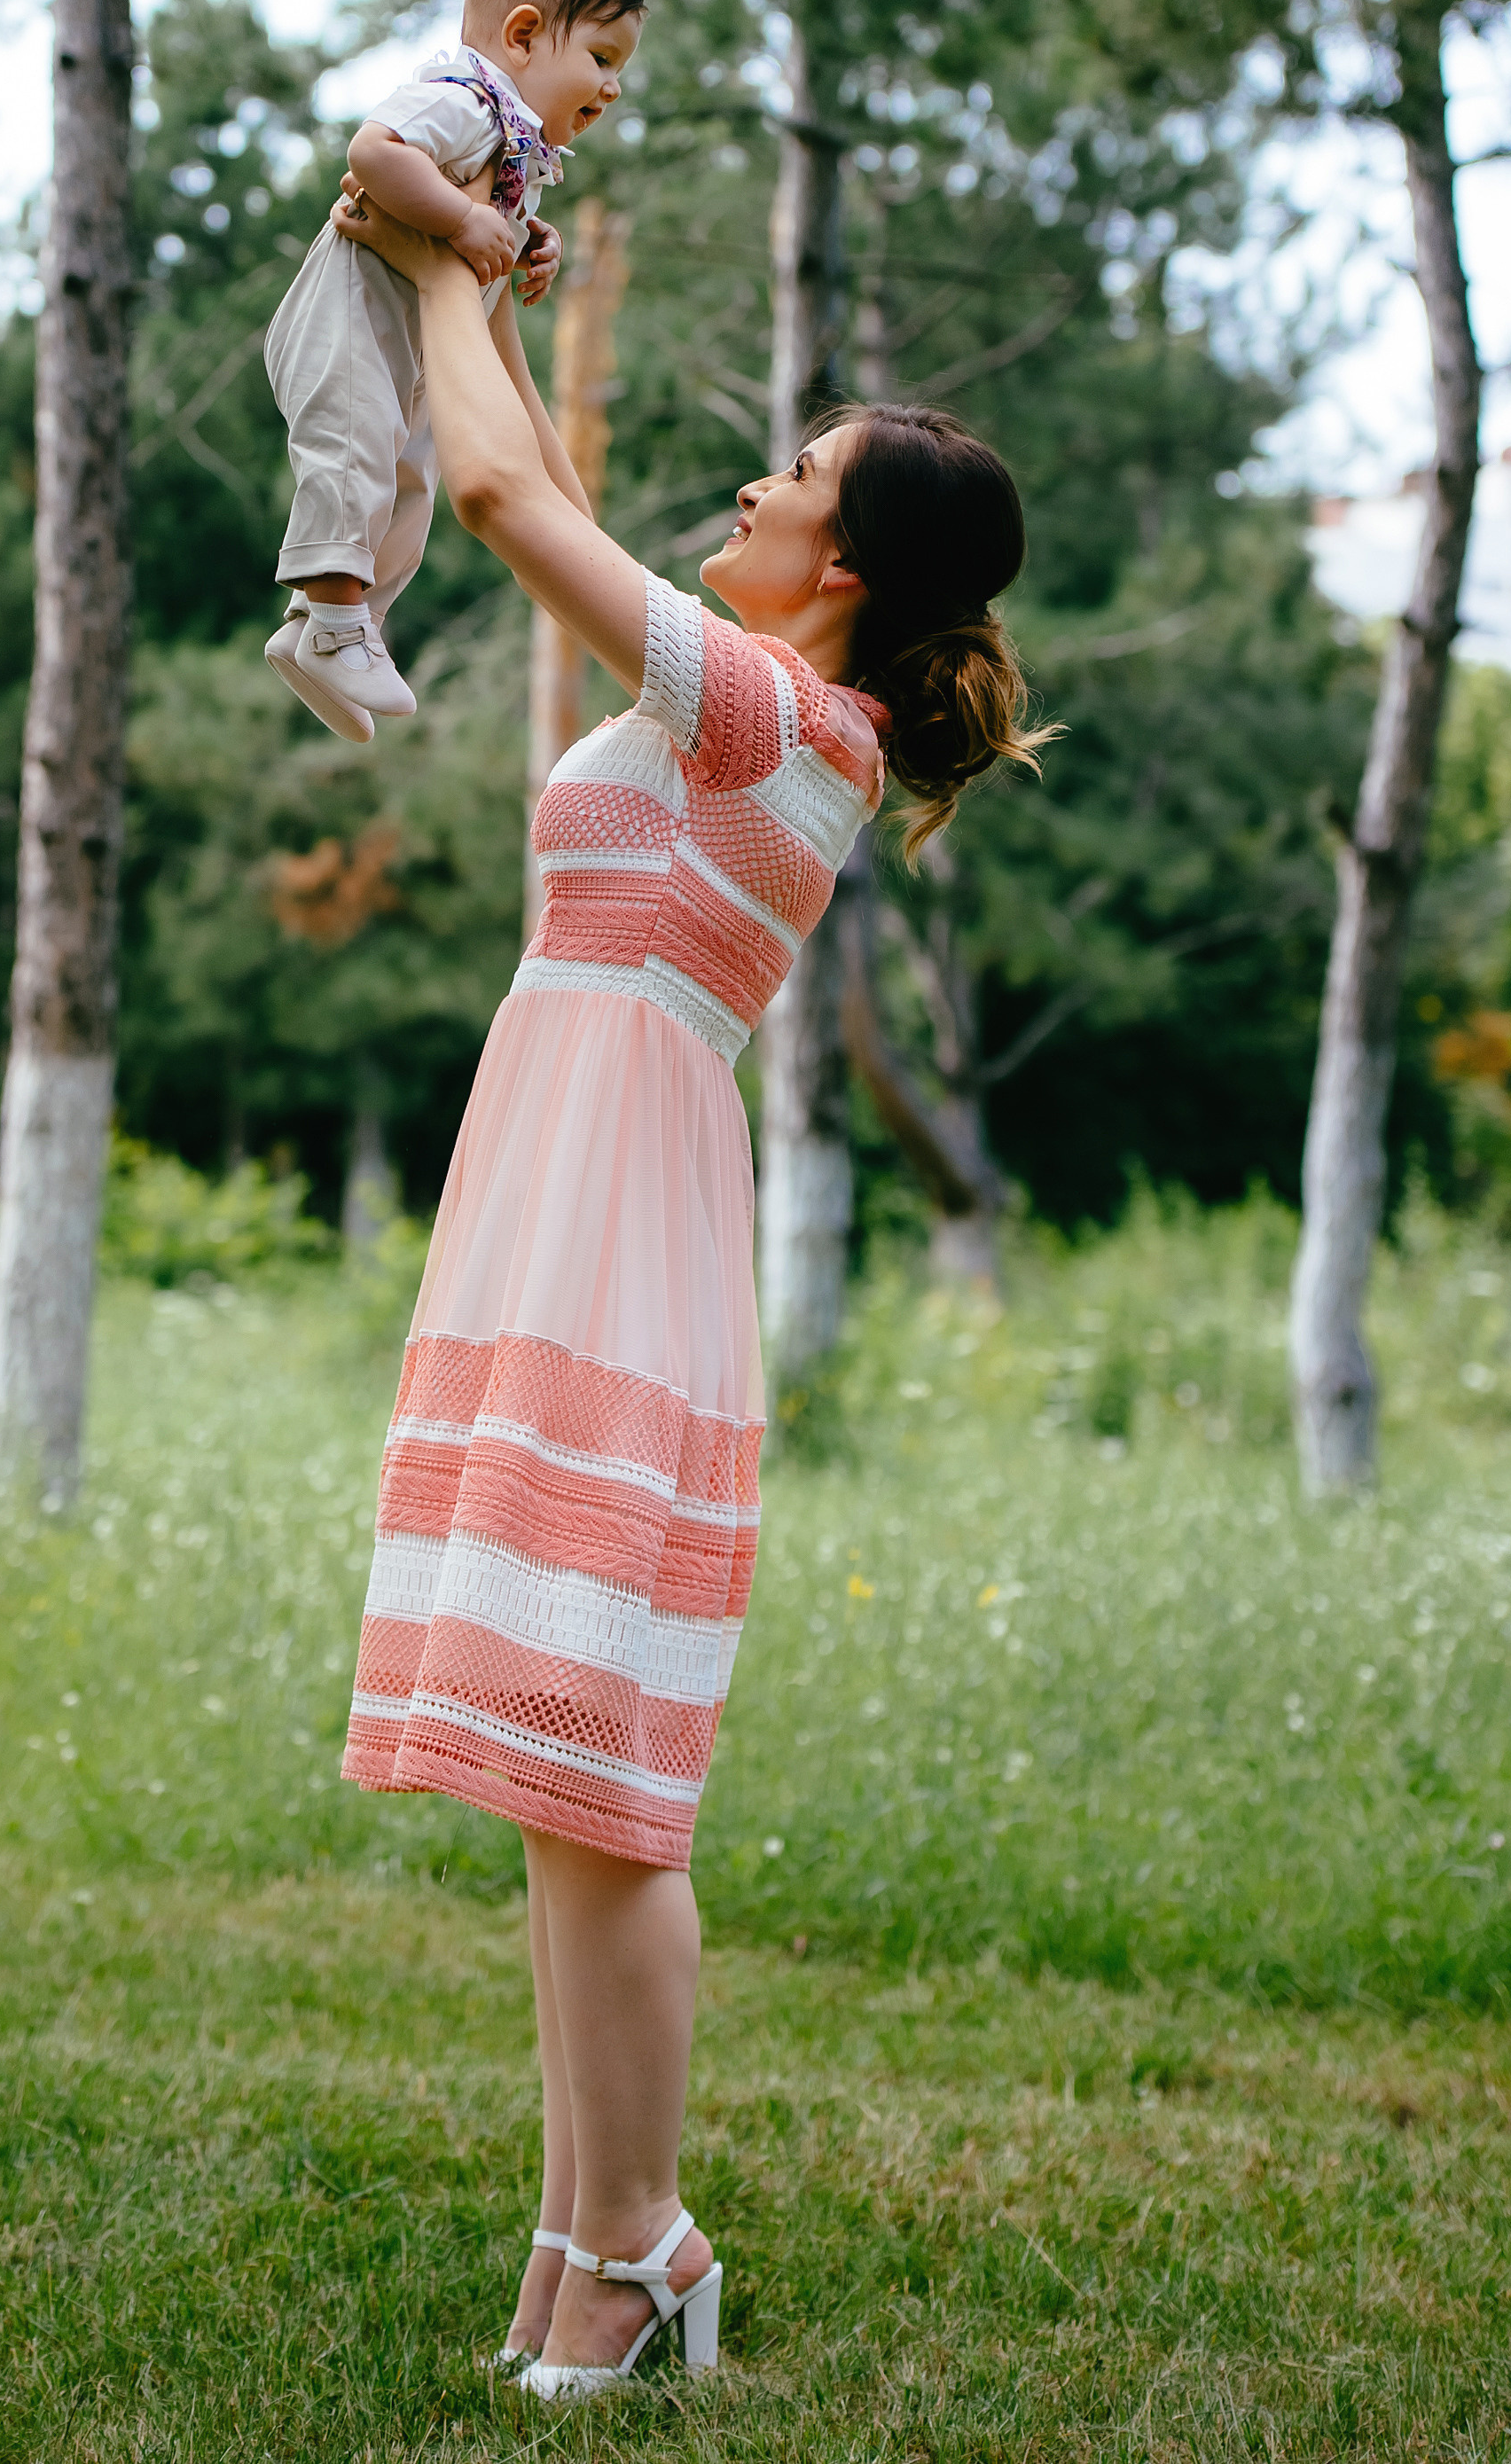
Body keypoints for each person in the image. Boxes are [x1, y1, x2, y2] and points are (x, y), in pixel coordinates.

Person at [332, 186, 1050, 2398]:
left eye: (793, 472)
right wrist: (488, 266)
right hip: (571, 1194)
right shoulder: (759, 698)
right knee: (559, 1782)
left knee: (605, 1783)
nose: (747, 482)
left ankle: (641, 2243)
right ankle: (586, 2249)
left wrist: (437, 256)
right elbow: (528, 475)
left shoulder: (769, 719)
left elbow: (484, 489)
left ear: (835, 571)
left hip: (616, 1230)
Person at [262, 0, 646, 741]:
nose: (612, 88)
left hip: (399, 347)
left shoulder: (517, 152)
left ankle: (319, 633)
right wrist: (462, 225)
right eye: (602, 59)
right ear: (523, 36)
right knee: (356, 451)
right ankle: (336, 623)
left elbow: (486, 230)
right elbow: (374, 153)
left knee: (408, 483)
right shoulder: (463, 100)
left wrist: (527, 244)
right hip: (348, 323)